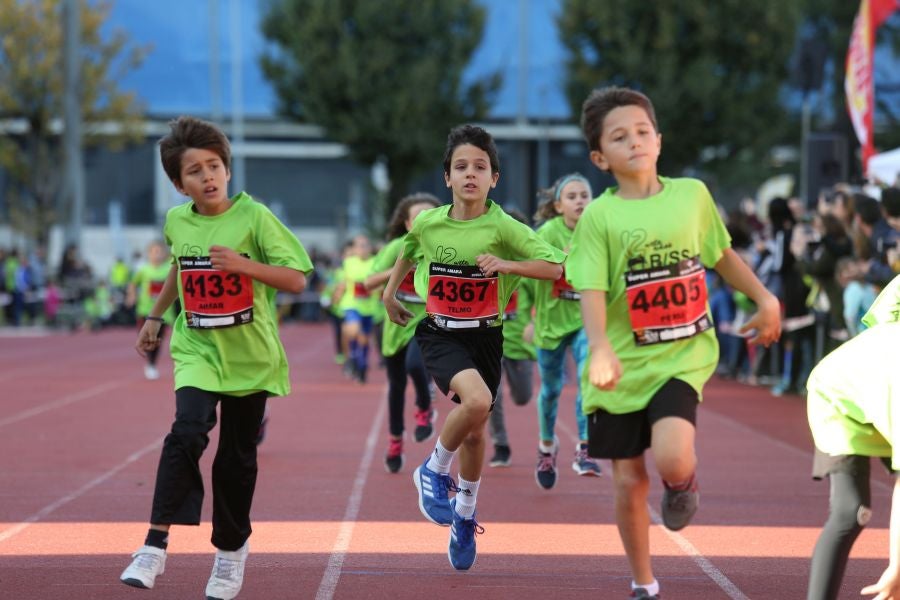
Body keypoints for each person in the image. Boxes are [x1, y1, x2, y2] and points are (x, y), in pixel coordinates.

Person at [566, 87, 781, 600]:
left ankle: (683, 485)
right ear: (600, 157)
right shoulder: (600, 217)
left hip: (680, 356)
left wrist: (764, 299)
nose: (635, 142)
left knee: (671, 456)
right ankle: (644, 581)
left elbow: (721, 255)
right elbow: (591, 289)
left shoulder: (692, 196)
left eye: (642, 132)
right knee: (627, 482)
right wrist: (598, 347)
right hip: (619, 365)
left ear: (659, 140)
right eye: (620, 137)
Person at [118, 116, 313, 600]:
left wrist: (243, 264)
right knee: (186, 432)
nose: (207, 176)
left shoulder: (255, 218)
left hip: (251, 357)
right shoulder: (177, 222)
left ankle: (229, 554)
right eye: (194, 171)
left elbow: (297, 280)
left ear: (227, 169)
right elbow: (179, 269)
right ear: (178, 184)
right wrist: (156, 317)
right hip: (198, 348)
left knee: (235, 460)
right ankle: (154, 544)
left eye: (214, 166)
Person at [382, 124, 565, 571]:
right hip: (440, 332)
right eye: (460, 167)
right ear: (447, 177)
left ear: (493, 178)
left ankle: (465, 513)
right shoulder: (428, 223)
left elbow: (554, 267)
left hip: (485, 335)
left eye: (479, 167)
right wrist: (389, 294)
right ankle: (432, 469)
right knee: (479, 401)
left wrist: (507, 263)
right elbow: (407, 251)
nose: (470, 174)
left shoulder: (504, 226)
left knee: (478, 429)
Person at [806, 274, 900, 600]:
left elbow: (887, 307)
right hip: (838, 397)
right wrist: (896, 568)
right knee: (852, 510)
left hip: (876, 381)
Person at [531, 173, 603, 489]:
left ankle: (585, 448)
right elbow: (527, 274)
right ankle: (547, 446)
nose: (579, 201)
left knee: (588, 378)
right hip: (549, 324)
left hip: (585, 320)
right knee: (551, 390)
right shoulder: (547, 233)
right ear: (559, 205)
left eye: (584, 195)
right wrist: (528, 318)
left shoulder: (599, 232)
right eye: (572, 196)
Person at [365, 193, 441, 473]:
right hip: (396, 323)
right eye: (418, 217)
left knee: (414, 364)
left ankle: (424, 406)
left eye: (429, 216)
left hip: (428, 321)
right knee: (395, 387)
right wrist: (400, 267)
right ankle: (395, 440)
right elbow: (369, 282)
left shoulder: (444, 247)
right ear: (408, 224)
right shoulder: (397, 246)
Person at [486, 209, 538, 469]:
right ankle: (501, 445)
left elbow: (543, 295)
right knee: (492, 397)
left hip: (520, 342)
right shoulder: (486, 259)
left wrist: (534, 320)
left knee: (523, 396)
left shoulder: (528, 264)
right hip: (490, 338)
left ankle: (501, 443)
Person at [127, 240, 176, 380]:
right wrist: (132, 295)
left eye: (160, 252)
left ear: (165, 254)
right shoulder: (143, 269)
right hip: (145, 310)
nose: (157, 255)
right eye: (154, 252)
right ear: (148, 254)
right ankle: (150, 361)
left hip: (165, 311)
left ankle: (152, 363)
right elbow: (133, 283)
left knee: (158, 338)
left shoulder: (169, 268)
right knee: (145, 337)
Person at [334, 234, 377, 383]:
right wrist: (338, 295)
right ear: (354, 249)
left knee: (364, 339)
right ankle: (352, 356)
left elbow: (377, 282)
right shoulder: (349, 262)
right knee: (353, 329)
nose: (363, 249)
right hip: (351, 303)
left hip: (369, 306)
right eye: (359, 245)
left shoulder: (375, 262)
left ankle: (362, 364)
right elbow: (347, 281)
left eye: (366, 245)